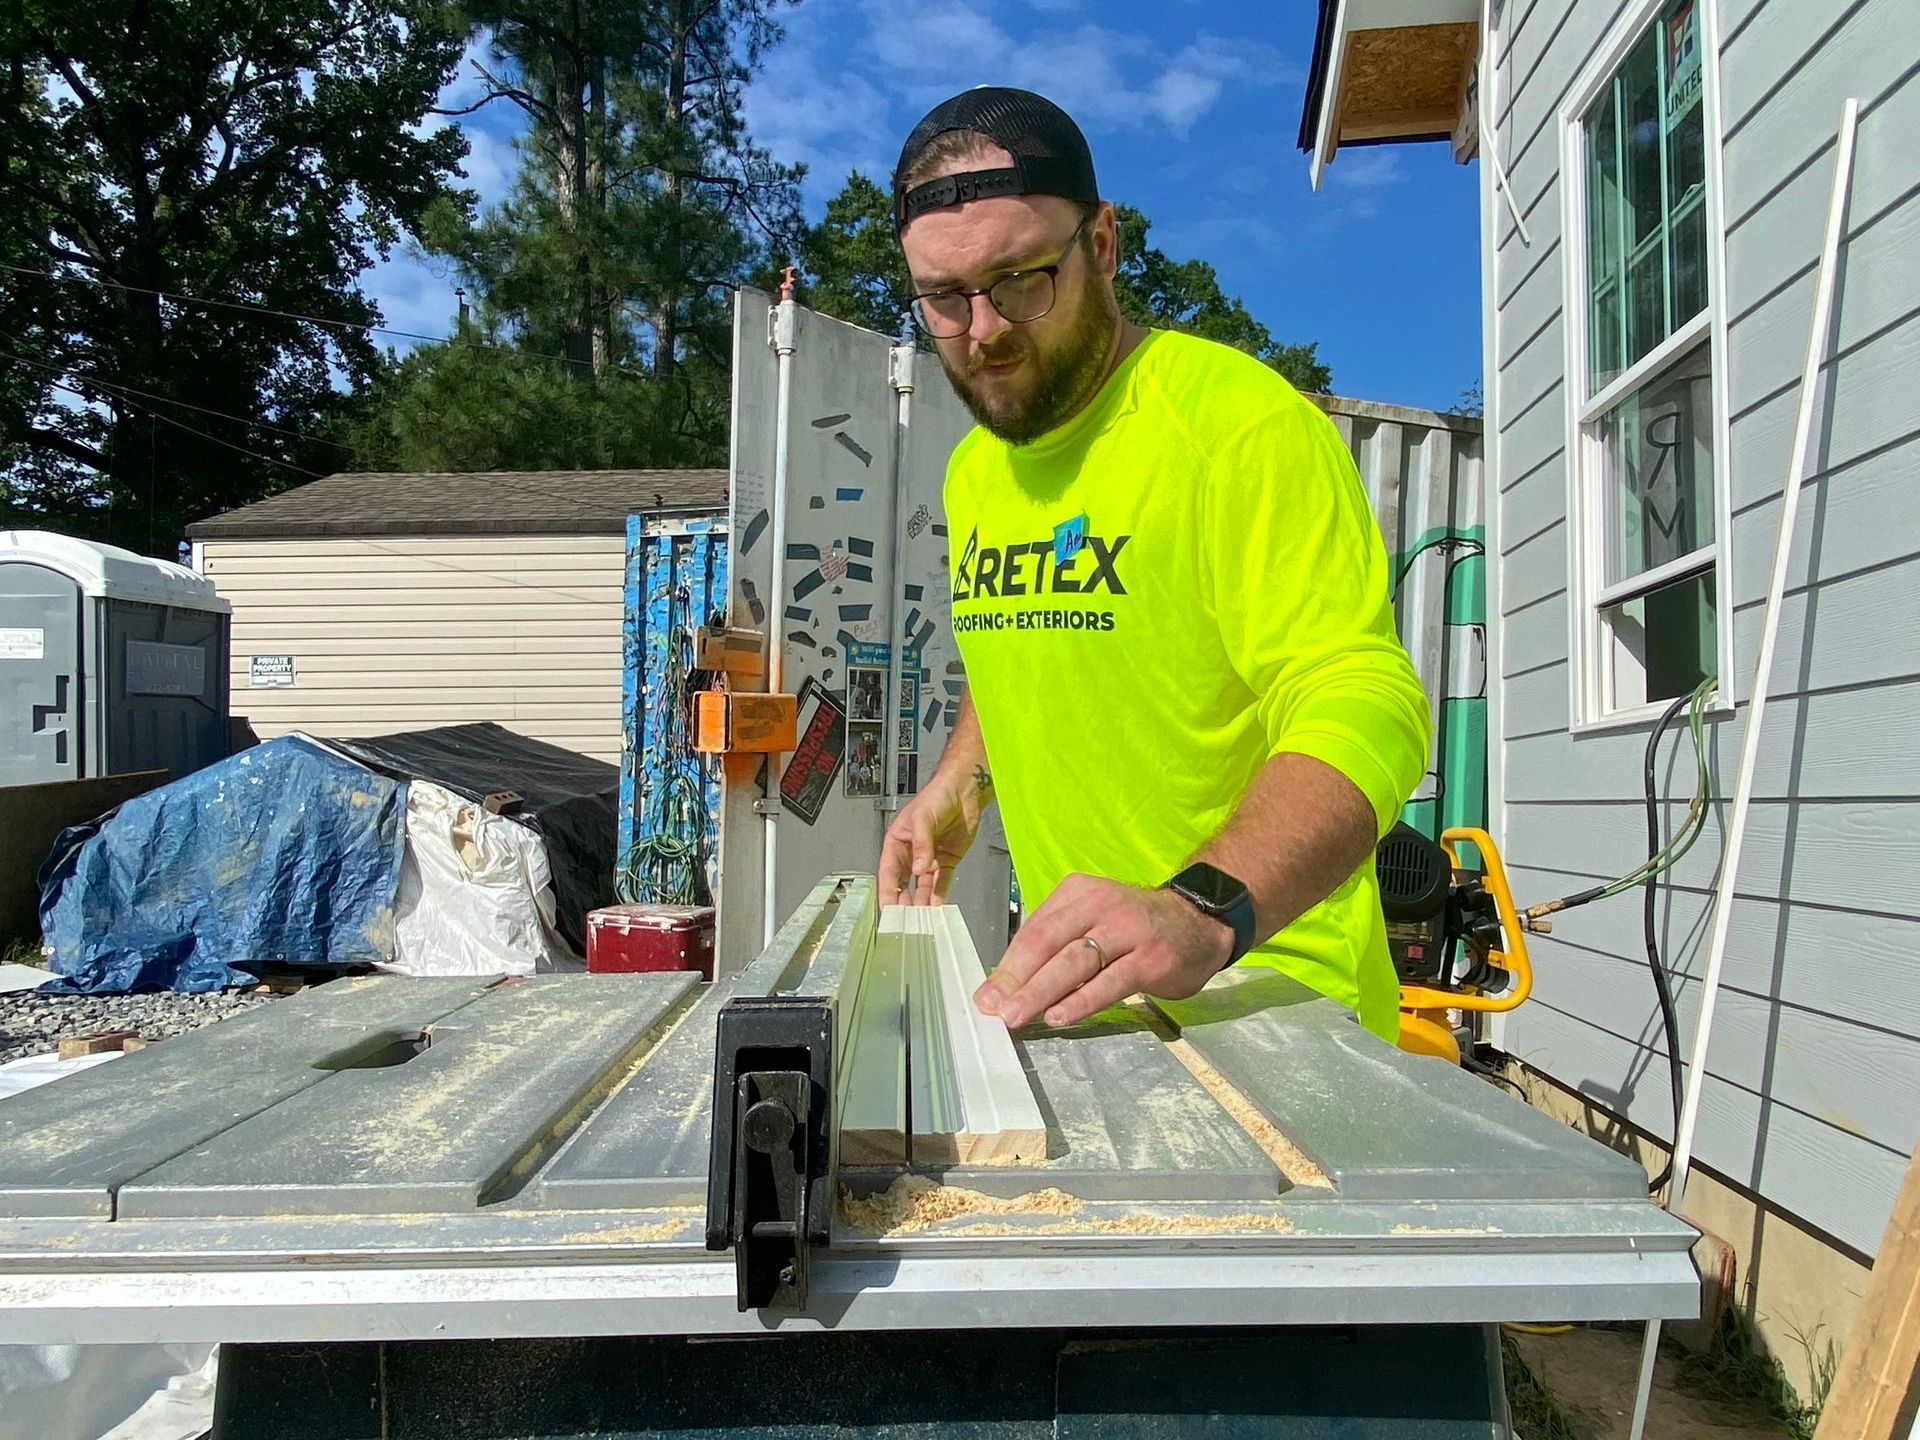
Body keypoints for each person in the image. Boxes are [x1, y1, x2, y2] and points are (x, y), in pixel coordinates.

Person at [875, 87, 1430, 1042]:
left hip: (1275, 1002)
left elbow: (1369, 701)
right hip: (1093, 1004)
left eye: (1020, 278)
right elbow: (1019, 644)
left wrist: (1202, 908)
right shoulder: (977, 470)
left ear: (1101, 245)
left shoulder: (1236, 427)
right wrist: (960, 785)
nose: (987, 327)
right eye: (944, 298)